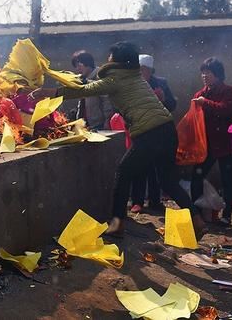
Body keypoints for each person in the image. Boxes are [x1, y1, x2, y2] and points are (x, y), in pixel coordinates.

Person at [30, 41, 204, 237]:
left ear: (117, 61)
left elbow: (85, 91)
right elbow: (87, 86)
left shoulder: (115, 78)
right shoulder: (135, 76)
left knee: (123, 172)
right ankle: (196, 220)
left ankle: (117, 224)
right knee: (168, 181)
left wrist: (49, 93)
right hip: (166, 129)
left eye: (110, 56)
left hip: (149, 132)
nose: (108, 59)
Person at [190, 58, 232, 225]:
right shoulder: (199, 94)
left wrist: (206, 103)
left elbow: (225, 110)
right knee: (196, 176)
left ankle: (227, 216)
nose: (204, 76)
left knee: (227, 180)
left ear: (217, 74)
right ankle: (195, 213)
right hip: (205, 144)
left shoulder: (228, 91)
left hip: (224, 143)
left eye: (208, 73)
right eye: (202, 73)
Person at [130, 54, 177, 213]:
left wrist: (163, 100)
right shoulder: (131, 85)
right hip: (140, 130)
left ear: (150, 70)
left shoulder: (160, 83)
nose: (140, 72)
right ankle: (137, 201)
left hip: (158, 131)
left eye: (143, 69)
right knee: (139, 167)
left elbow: (172, 105)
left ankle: (155, 201)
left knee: (155, 168)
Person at [71, 50, 114, 130]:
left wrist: (107, 121)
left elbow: (107, 101)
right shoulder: (83, 80)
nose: (77, 69)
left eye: (79, 66)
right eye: (76, 67)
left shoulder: (100, 77)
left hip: (100, 124)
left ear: (87, 63)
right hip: (88, 125)